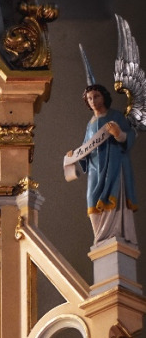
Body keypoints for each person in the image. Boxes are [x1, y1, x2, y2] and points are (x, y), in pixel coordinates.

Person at [64, 84, 137, 245]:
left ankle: (114, 234)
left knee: (113, 194)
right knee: (92, 199)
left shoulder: (115, 116)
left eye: (96, 96)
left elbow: (130, 135)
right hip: (94, 168)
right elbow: (87, 145)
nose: (93, 101)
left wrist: (119, 134)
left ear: (104, 97)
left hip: (113, 164)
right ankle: (100, 236)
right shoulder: (90, 124)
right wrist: (74, 155)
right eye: (89, 98)